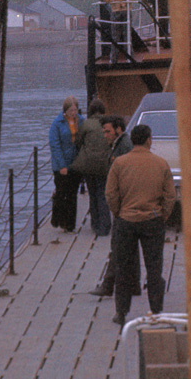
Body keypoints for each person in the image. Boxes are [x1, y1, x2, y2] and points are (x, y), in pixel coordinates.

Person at [105, 123, 175, 324]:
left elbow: (110, 193)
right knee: (154, 269)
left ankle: (121, 312)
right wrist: (163, 216)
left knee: (123, 268)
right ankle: (156, 310)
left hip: (126, 220)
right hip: (152, 220)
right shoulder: (161, 164)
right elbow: (170, 196)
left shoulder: (119, 163)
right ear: (148, 140)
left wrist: (119, 212)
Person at [89, 116, 136, 297]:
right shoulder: (120, 145)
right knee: (128, 247)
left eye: (107, 131)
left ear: (118, 129)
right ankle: (133, 284)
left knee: (118, 246)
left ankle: (108, 284)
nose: (105, 135)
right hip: (127, 205)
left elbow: (122, 177)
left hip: (124, 206)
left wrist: (116, 207)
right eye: (103, 132)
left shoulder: (123, 147)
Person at [71, 99, 114, 237]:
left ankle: (95, 224)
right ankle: (105, 225)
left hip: (88, 164)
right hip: (104, 164)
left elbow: (78, 142)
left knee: (93, 193)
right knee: (102, 193)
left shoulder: (86, 123)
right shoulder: (109, 124)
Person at [48, 96, 82, 233]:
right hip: (61, 164)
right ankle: (59, 220)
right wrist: (62, 165)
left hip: (75, 162)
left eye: (75, 110)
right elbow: (54, 145)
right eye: (70, 110)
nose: (73, 112)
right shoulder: (57, 124)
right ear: (65, 110)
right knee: (62, 193)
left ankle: (70, 224)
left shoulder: (81, 121)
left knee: (73, 193)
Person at [99, 0, 141, 64]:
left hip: (115, 10)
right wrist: (128, 0)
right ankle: (129, 57)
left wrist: (110, 0)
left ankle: (113, 59)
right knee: (127, 34)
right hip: (126, 9)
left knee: (115, 35)